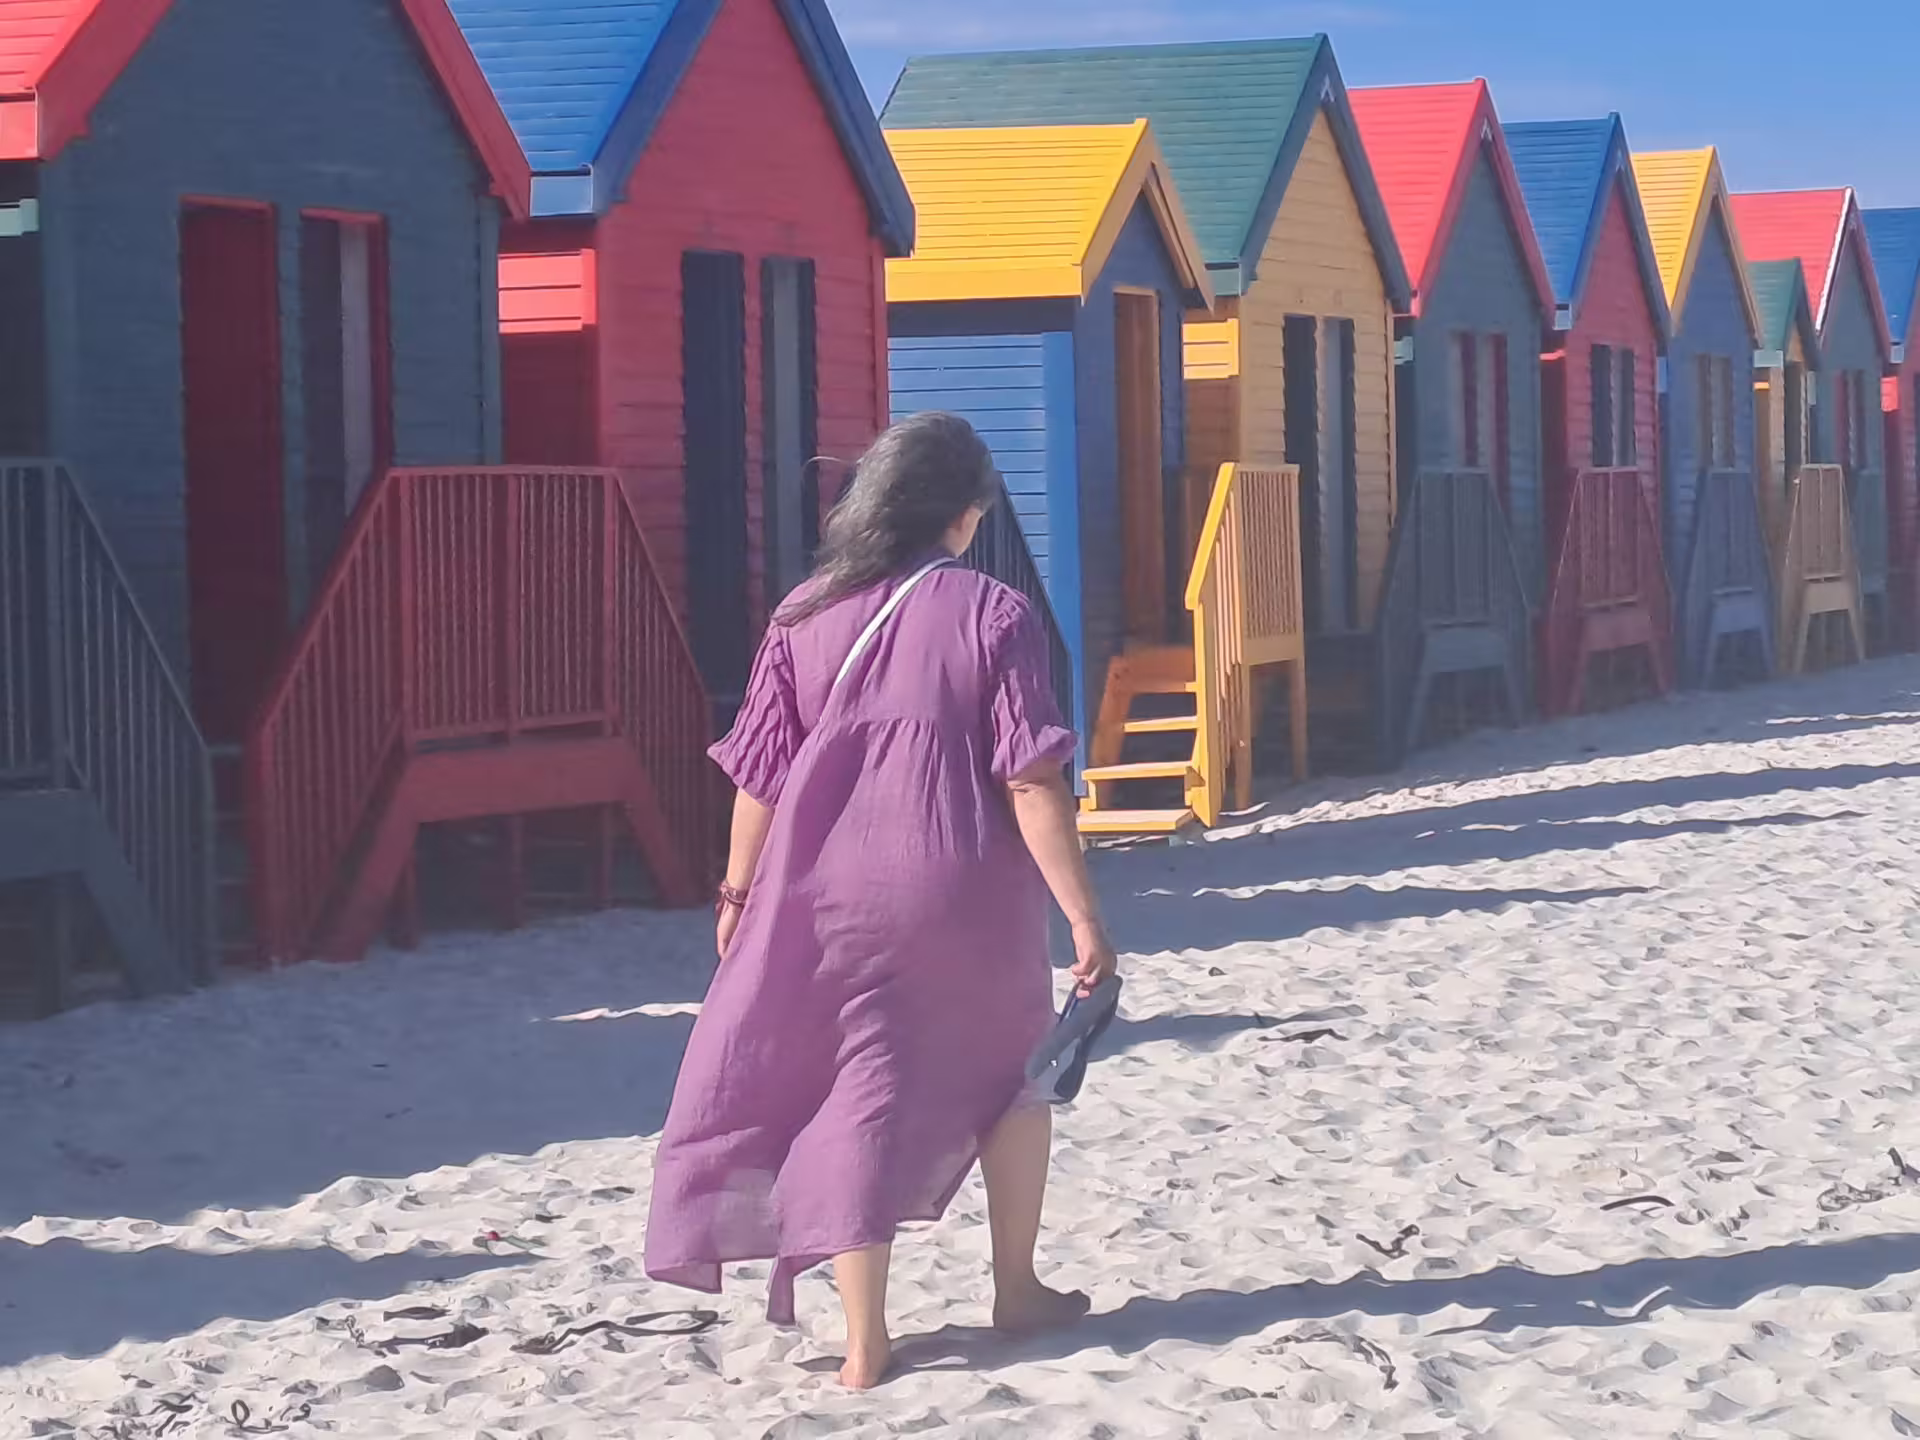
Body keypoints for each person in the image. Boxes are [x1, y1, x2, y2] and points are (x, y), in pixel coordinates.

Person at [643, 412, 1119, 1389]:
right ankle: (1016, 1287)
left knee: (854, 1093)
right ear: (962, 513)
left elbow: (759, 777)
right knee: (1012, 1075)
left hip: (819, 898)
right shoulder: (995, 613)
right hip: (958, 889)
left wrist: (735, 893)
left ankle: (865, 1344)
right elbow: (1030, 780)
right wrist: (1082, 915)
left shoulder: (803, 615)